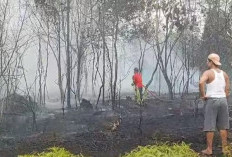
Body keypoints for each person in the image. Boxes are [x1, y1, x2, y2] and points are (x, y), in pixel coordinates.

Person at [199, 53, 230, 155]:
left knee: (210, 125)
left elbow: (201, 82)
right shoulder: (224, 74)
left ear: (211, 61)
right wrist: (224, 95)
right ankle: (225, 149)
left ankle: (209, 149)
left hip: (212, 101)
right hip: (223, 101)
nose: (207, 63)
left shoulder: (208, 73)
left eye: (208, 61)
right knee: (223, 126)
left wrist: (203, 95)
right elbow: (227, 89)